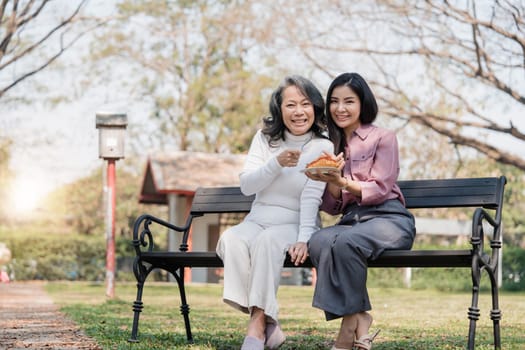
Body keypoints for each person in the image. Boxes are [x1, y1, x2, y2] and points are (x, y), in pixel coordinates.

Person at [216, 75, 334, 350]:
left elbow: (311, 197)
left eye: (305, 104)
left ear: (315, 107)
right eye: (290, 105)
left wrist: (305, 237)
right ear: (279, 109)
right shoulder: (265, 139)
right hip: (258, 217)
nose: (298, 111)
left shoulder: (323, 146)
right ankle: (271, 321)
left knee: (267, 242)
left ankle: (257, 327)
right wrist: (276, 163)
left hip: (294, 221)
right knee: (230, 240)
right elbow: (247, 186)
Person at [305, 72, 416, 350]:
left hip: (389, 219)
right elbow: (333, 207)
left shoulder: (384, 138)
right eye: (334, 101)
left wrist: (343, 182)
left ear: (362, 103)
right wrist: (332, 183)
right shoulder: (329, 147)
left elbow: (380, 187)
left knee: (345, 241)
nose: (340, 108)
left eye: (348, 101)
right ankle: (360, 318)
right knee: (319, 240)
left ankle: (346, 333)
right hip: (352, 221)